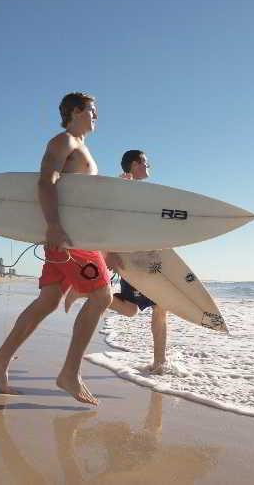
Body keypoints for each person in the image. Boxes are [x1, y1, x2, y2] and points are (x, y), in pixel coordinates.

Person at [0, 92, 113, 405]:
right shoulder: (64, 141)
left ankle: (0, 360)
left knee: (49, 300)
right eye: (92, 111)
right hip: (68, 237)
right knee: (102, 296)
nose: (97, 117)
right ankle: (70, 372)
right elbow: (45, 181)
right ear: (76, 111)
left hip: (67, 235)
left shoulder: (81, 146)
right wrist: (54, 225)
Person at [65, 150, 169, 373]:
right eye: (145, 162)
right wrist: (108, 252)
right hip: (132, 259)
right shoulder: (123, 187)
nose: (149, 165)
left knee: (151, 308)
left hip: (147, 257)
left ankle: (160, 362)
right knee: (145, 308)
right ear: (134, 164)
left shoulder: (140, 191)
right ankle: (86, 291)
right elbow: (109, 221)